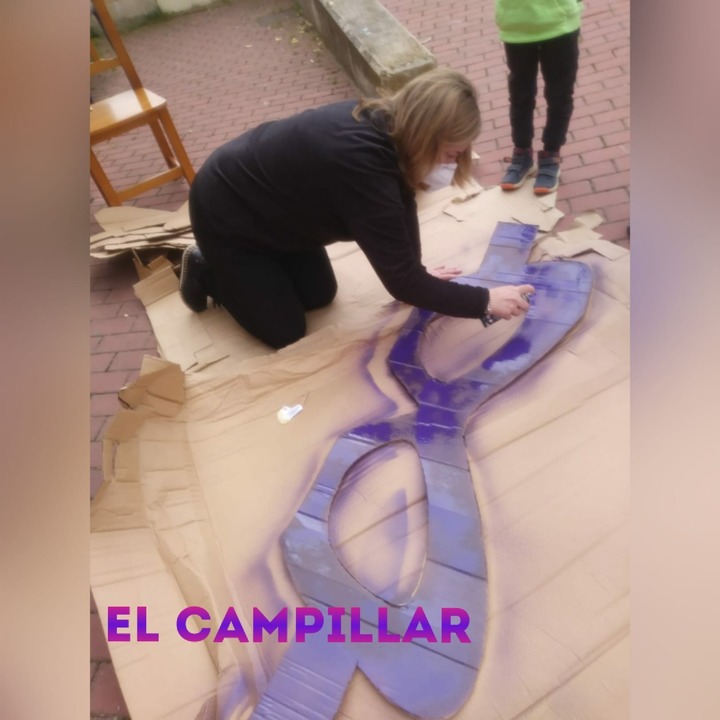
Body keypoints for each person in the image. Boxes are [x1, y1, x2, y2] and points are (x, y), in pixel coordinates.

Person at [180, 68, 534, 349]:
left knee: (320, 296)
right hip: (227, 215)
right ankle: (206, 267)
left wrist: (417, 269)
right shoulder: (361, 166)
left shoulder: (392, 127)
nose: (451, 165)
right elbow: (403, 285)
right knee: (285, 331)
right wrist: (483, 300)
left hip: (278, 216)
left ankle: (260, 272)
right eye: (450, 155)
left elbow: (402, 203)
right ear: (425, 136)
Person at [496, 0, 583, 194]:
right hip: (516, 24)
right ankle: (522, 153)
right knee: (520, 95)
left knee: (559, 94)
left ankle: (551, 153)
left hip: (560, 23)